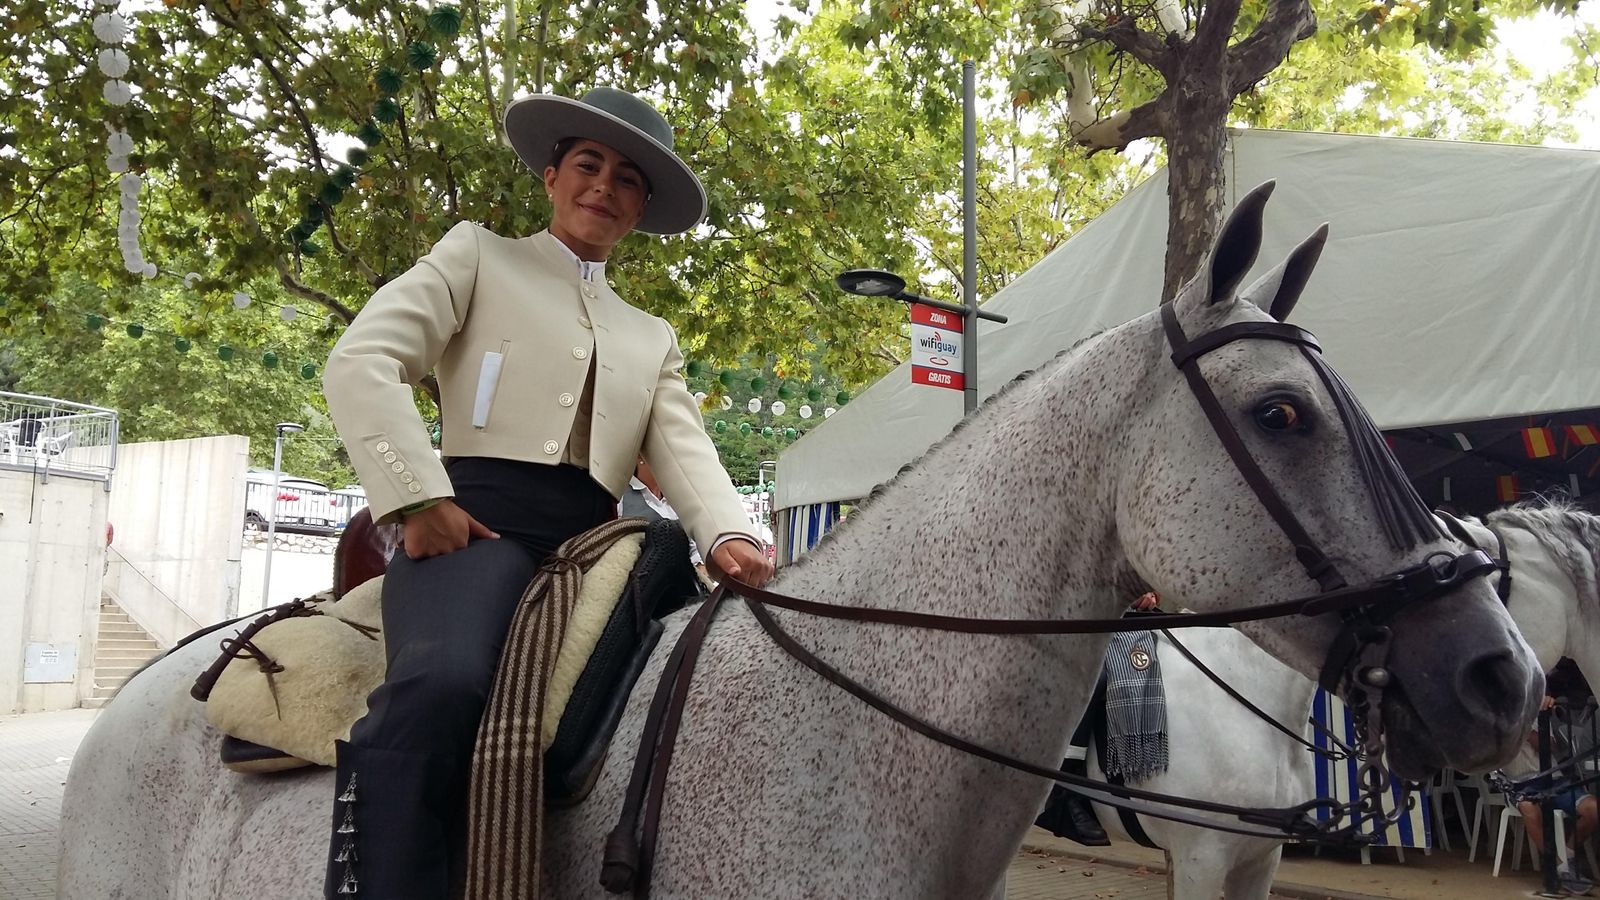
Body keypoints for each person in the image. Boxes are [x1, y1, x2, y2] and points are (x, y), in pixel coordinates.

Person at [321, 86, 774, 899]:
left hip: (601, 546)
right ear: (551, 175)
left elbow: (681, 447)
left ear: (639, 208)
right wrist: (416, 498)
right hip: (476, 529)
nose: (604, 186)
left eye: (627, 179)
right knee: (444, 682)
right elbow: (363, 360)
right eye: (589, 166)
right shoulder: (476, 256)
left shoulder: (651, 335)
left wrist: (729, 535)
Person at [1035, 591, 1162, 846]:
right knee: (1095, 680)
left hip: (1129, 622)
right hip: (1077, 619)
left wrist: (1151, 594)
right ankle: (1063, 791)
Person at [1490, 695, 1598, 891]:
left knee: (1593, 808)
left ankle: (1568, 856)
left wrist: (1527, 731)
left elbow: (1551, 746)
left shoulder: (1535, 709)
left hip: (1553, 778)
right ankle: (1555, 864)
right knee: (1528, 808)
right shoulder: (1492, 718)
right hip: (1519, 783)